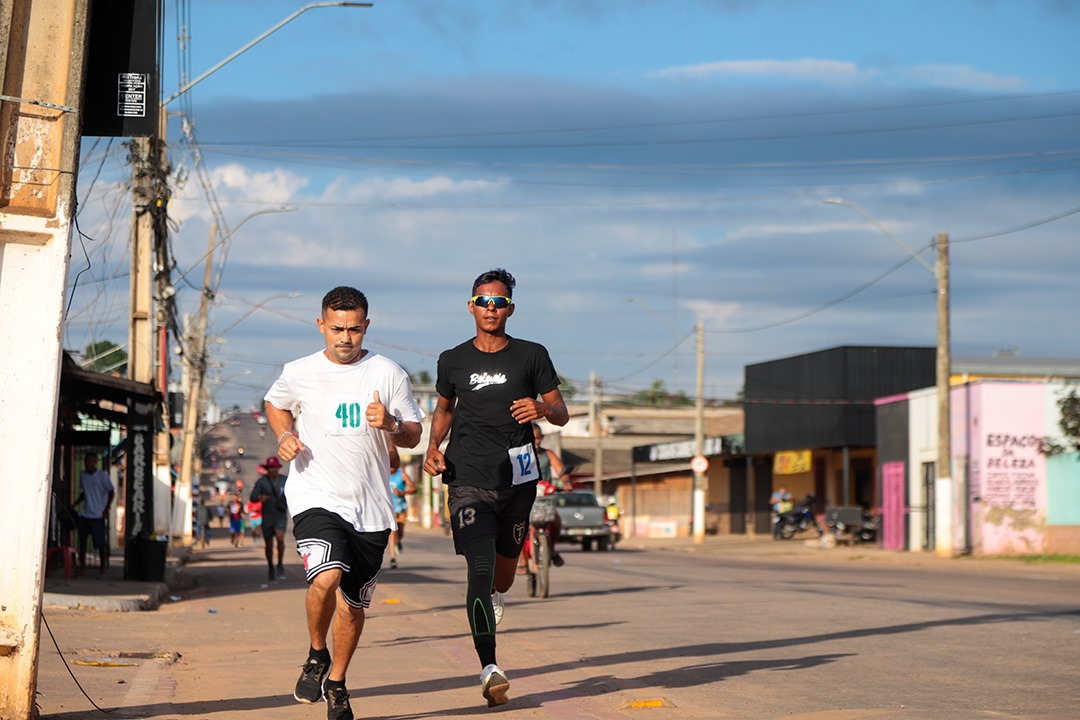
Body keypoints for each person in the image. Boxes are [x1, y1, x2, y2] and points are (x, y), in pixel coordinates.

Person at [265, 285, 423, 720]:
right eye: (336, 328)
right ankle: (317, 653)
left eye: (354, 329)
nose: (345, 338)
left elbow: (413, 435)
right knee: (327, 576)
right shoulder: (299, 371)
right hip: (315, 494)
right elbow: (275, 403)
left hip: (370, 507)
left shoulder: (388, 373)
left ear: (366, 327)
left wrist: (390, 423)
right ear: (321, 325)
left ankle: (337, 682)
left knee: (354, 607)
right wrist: (283, 436)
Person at [423, 268, 568, 708]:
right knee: (480, 570)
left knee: (503, 575)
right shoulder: (453, 359)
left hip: (518, 482)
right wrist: (432, 446)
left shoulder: (531, 355)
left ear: (510, 309)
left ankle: (497, 595)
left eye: (499, 302)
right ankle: (490, 666)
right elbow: (444, 409)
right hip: (467, 478)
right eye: (483, 301)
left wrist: (541, 407)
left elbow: (561, 412)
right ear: (471, 306)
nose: (491, 309)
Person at [74, 452, 114, 578]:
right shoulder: (83, 476)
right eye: (86, 461)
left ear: (95, 462)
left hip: (98, 515)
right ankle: (83, 568)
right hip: (85, 514)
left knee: (100, 543)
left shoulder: (102, 476)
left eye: (90, 461)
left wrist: (107, 508)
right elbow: (84, 493)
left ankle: (102, 568)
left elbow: (111, 491)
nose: (88, 464)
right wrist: (74, 504)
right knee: (82, 543)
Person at [250, 456, 290, 583]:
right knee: (269, 545)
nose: (274, 470)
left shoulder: (285, 480)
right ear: (268, 469)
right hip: (267, 516)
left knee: (280, 539)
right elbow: (253, 497)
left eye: (275, 468)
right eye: (271, 468)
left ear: (279, 468)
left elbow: (294, 493)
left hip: (280, 515)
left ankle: (280, 564)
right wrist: (260, 498)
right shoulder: (262, 482)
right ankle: (271, 567)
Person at [386, 445, 416, 570]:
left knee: (400, 532)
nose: (391, 467)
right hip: (389, 509)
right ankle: (393, 558)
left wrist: (402, 493)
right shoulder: (382, 473)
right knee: (392, 533)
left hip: (401, 508)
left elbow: (413, 488)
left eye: (394, 464)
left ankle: (398, 542)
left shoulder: (401, 474)